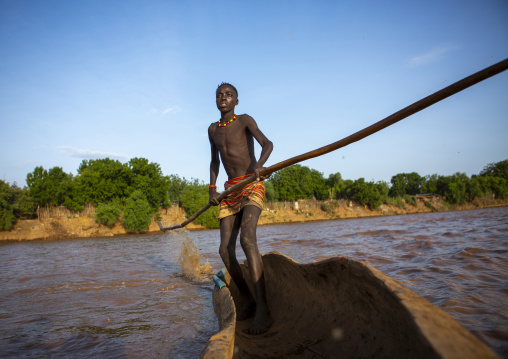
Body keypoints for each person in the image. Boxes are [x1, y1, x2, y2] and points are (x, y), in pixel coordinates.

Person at [208, 82, 274, 335]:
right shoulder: (213, 129)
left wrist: (259, 164)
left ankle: (263, 309)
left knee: (247, 239)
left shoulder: (245, 120)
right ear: (216, 101)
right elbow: (214, 160)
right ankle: (246, 298)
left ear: (236, 100)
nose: (223, 99)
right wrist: (212, 188)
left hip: (251, 186)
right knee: (225, 250)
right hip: (229, 191)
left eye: (228, 96)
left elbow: (268, 144)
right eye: (219, 96)